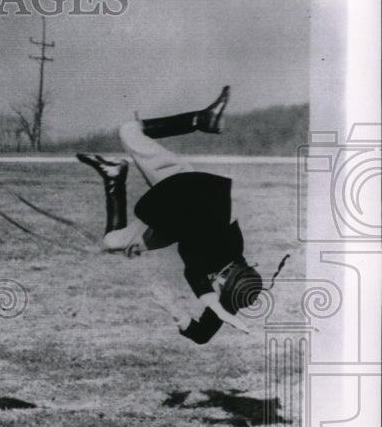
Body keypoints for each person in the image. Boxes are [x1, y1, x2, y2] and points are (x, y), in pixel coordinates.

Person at [77, 86, 263, 344]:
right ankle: (115, 178)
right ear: (225, 277)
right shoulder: (208, 259)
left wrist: (177, 312)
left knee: (129, 131)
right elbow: (204, 284)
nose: (216, 291)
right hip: (178, 200)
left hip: (191, 192)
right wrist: (224, 315)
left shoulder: (232, 269)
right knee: (111, 242)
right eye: (220, 288)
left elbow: (202, 334)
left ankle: (200, 120)